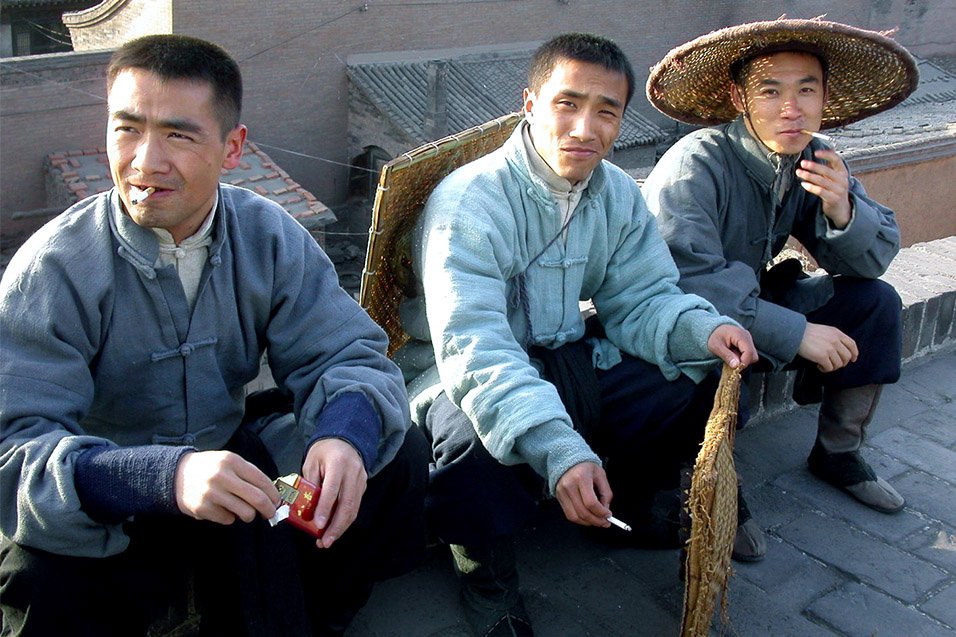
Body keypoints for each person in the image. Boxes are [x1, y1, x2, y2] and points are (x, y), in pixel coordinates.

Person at [0, 34, 427, 636]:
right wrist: (165, 477)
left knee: (390, 454)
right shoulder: (55, 269)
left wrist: (342, 438)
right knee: (36, 580)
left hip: (236, 466)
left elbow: (346, 352)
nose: (146, 161)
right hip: (109, 492)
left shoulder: (268, 235)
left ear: (233, 148)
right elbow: (16, 453)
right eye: (126, 129)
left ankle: (326, 609)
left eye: (178, 134)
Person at [396, 33, 757, 637]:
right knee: (473, 439)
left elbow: (642, 298)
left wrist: (703, 327)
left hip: (563, 353)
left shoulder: (615, 192)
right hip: (460, 371)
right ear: (530, 104)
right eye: (567, 103)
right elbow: (475, 349)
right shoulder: (470, 204)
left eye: (607, 110)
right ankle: (486, 576)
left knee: (691, 374)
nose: (585, 128)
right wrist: (561, 450)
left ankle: (637, 504)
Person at [643, 18, 919, 562]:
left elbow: (873, 261)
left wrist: (843, 209)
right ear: (738, 96)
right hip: (685, 322)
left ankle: (839, 452)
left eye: (806, 90)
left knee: (874, 305)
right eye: (771, 91)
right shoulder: (696, 163)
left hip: (758, 304)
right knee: (717, 351)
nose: (790, 109)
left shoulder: (813, 157)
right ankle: (720, 492)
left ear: (824, 98)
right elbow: (687, 282)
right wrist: (797, 334)